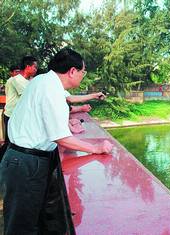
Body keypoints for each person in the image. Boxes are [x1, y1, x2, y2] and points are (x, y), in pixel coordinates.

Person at [0, 48, 113, 234]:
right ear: (72, 71)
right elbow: (61, 138)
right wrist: (96, 148)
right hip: (26, 163)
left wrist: (67, 123)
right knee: (22, 226)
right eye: (83, 72)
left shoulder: (45, 81)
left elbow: (47, 116)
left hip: (25, 159)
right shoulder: (50, 87)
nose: (83, 76)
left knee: (31, 220)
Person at [0, 56, 38, 159]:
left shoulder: (26, 80)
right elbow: (30, 97)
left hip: (17, 116)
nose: (36, 69)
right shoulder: (17, 80)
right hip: (11, 115)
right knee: (10, 143)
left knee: (14, 142)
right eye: (34, 67)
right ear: (28, 67)